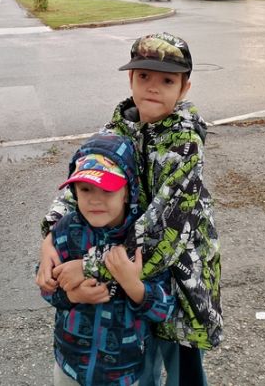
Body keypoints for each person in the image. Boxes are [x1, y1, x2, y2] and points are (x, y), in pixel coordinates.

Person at [37, 32, 223, 386]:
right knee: (141, 347)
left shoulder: (184, 144)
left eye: (167, 80)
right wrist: (51, 233)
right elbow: (83, 176)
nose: (153, 87)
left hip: (177, 267)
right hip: (124, 258)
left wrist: (87, 266)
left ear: (184, 88)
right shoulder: (119, 127)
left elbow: (166, 229)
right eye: (143, 77)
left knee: (180, 355)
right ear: (130, 79)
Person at [41, 132, 176, 386]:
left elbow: (164, 309)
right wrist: (72, 296)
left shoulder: (143, 238)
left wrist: (133, 285)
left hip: (124, 373)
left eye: (108, 189)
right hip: (69, 366)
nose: (94, 199)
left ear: (128, 192)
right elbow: (46, 286)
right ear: (73, 191)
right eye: (85, 188)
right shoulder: (65, 231)